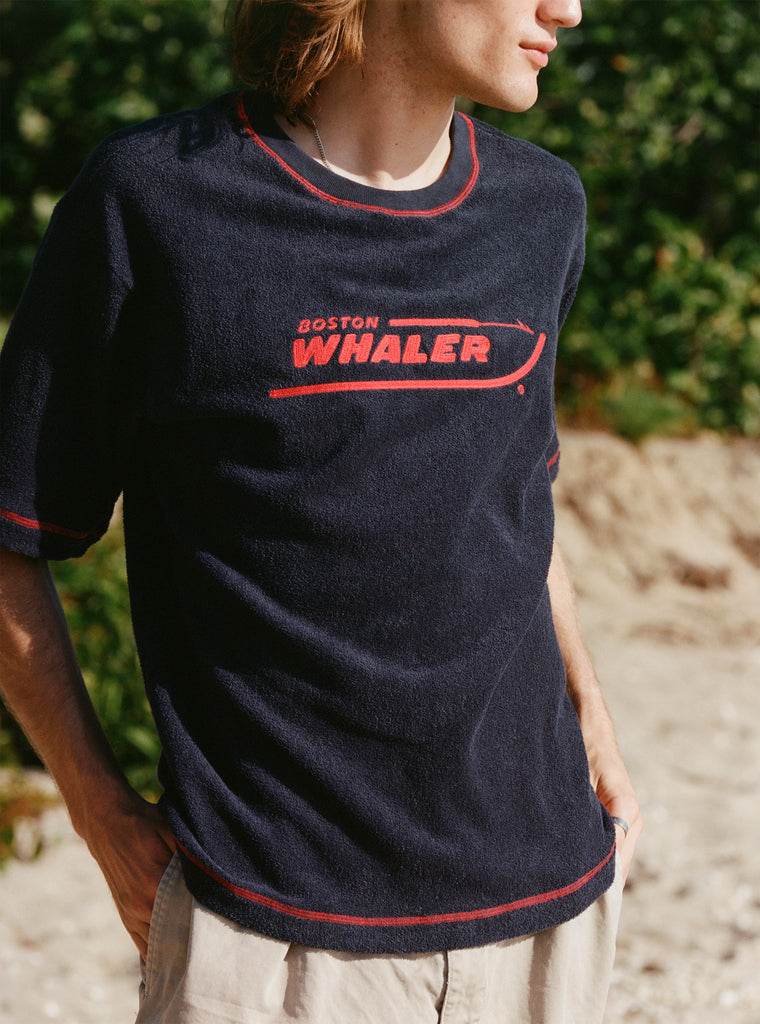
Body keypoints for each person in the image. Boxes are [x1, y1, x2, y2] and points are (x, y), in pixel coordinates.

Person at [0, 1, 642, 1021]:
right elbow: (11, 536)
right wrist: (99, 811)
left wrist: (595, 721)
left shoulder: (540, 207)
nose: (565, 7)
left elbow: (516, 496)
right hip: (267, 925)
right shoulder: (157, 198)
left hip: (545, 902)